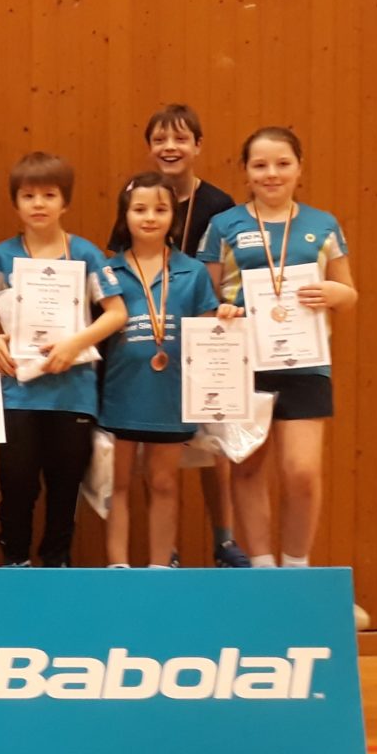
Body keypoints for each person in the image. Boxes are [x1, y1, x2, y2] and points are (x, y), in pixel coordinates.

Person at [200, 127, 362, 622]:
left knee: (302, 472)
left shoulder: (323, 224)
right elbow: (208, 300)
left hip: (305, 363)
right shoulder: (224, 225)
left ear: (299, 167)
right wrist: (222, 313)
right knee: (248, 468)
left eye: (282, 164)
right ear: (246, 172)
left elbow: (348, 291)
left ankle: (296, 568)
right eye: (260, 165)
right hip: (245, 362)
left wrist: (336, 296)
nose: (271, 174)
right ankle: (263, 572)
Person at [0, 152, 128, 568]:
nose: (39, 203)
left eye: (49, 195)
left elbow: (117, 313)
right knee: (16, 483)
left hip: (73, 394)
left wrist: (74, 345)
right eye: (29, 195)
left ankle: (57, 561)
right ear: (16, 204)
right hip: (20, 394)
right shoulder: (2, 256)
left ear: (66, 203)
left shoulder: (86, 254)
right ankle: (15, 561)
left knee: (65, 488)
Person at [100, 173, 221, 568]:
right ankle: (117, 567)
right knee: (117, 485)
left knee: (165, 483)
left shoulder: (194, 272)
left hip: (171, 396)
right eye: (139, 209)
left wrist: (228, 317)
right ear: (124, 215)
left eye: (160, 209)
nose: (149, 217)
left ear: (175, 217)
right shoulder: (107, 272)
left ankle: (158, 569)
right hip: (120, 394)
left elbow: (210, 331)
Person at [144, 103, 246, 567]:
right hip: (155, 339)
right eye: (161, 139)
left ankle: (224, 541)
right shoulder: (138, 195)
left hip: (206, 333)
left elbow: (229, 275)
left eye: (181, 139)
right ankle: (166, 549)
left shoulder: (219, 205)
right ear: (150, 148)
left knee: (214, 444)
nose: (170, 147)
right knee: (156, 446)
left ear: (198, 147)